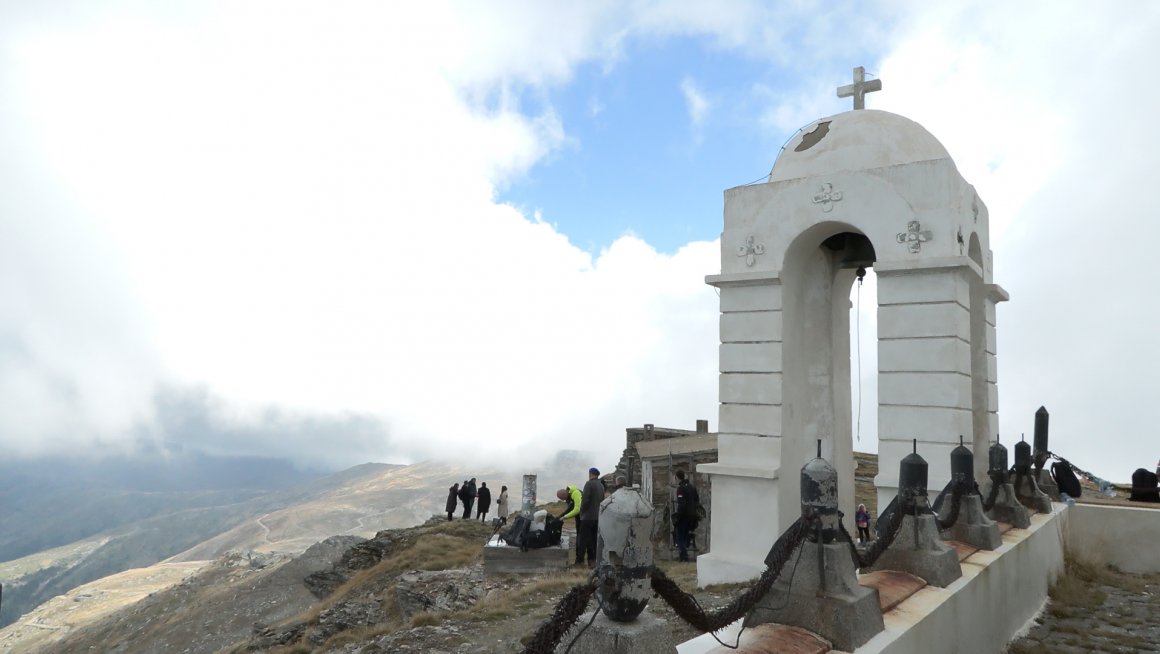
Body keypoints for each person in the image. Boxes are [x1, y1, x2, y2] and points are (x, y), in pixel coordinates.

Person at [577, 467, 604, 567]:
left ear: (590, 474)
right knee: (594, 539)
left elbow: (585, 500)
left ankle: (579, 561)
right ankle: (592, 561)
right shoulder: (601, 485)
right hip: (597, 517)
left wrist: (582, 512)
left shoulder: (589, 484)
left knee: (583, 540)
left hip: (587, 517)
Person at [673, 469, 700, 562]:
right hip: (692, 515)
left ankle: (684, 557)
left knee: (679, 537)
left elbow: (682, 504)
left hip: (684, 515)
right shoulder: (692, 487)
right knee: (685, 535)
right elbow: (697, 501)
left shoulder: (681, 488)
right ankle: (683, 556)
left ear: (677, 477)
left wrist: (678, 516)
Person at [556, 484, 584, 564]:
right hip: (580, 518)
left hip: (585, 519)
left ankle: (580, 561)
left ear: (565, 495)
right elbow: (569, 509)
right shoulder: (569, 496)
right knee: (579, 537)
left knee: (582, 539)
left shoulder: (576, 493)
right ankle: (579, 560)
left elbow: (577, 509)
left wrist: (565, 517)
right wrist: (559, 517)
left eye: (563, 499)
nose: (564, 500)